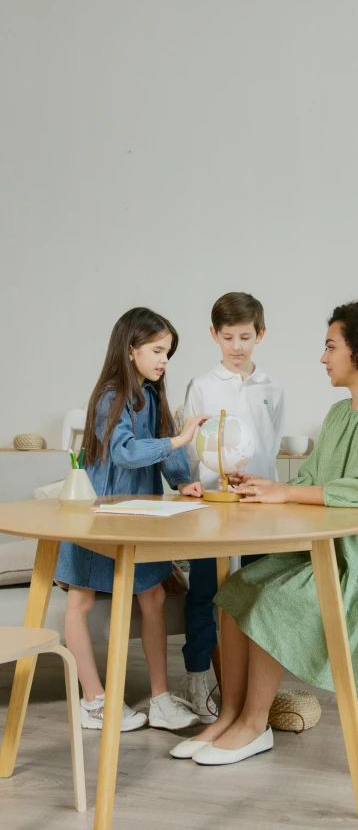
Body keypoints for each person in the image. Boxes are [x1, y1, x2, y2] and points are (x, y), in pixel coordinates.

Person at [170, 299, 358, 764]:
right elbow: (310, 481)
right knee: (234, 592)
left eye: (331, 346)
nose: (322, 357)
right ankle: (229, 716)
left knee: (273, 601)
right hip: (330, 555)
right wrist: (266, 487)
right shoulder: (337, 416)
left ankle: (256, 726)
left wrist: (288, 494)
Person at [55, 307, 208, 732]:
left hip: (141, 518)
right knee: (79, 602)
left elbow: (165, 446)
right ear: (131, 348)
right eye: (158, 350)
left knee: (154, 598)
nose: (163, 360)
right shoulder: (110, 395)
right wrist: (178, 439)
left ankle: (160, 699)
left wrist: (181, 483)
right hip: (98, 518)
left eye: (168, 353)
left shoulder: (153, 394)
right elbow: (124, 451)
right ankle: (93, 700)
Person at [180, 292, 285, 722]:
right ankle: (197, 674)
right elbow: (189, 449)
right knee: (205, 589)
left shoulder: (272, 388)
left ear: (260, 334)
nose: (237, 346)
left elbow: (271, 446)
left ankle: (249, 686)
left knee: (259, 588)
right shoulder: (201, 387)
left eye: (245, 337)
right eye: (228, 338)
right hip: (211, 505)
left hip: (258, 504)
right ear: (214, 336)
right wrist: (194, 484)